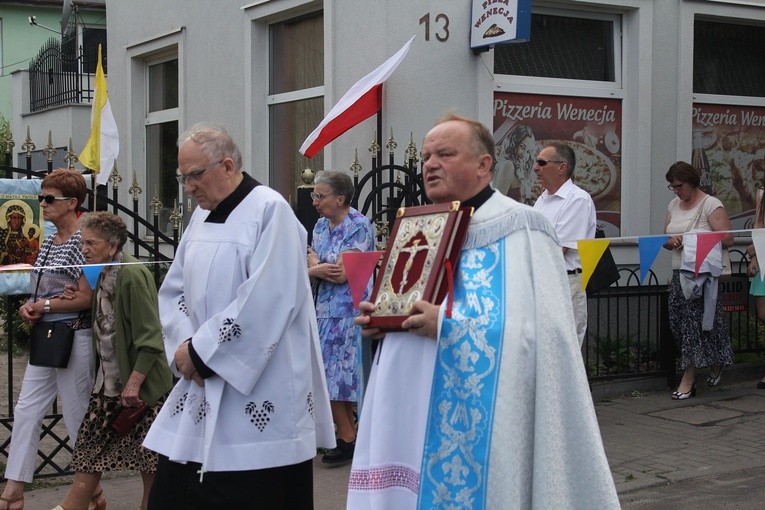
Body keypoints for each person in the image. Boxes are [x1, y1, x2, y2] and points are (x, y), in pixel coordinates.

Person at [348, 114, 619, 509]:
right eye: (426, 156)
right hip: (409, 408)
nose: (430, 164)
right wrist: (383, 322)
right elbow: (405, 305)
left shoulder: (523, 228)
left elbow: (543, 336)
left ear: (484, 165)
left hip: (479, 422)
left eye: (444, 153)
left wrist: (446, 325)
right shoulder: (419, 228)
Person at [142, 123, 334, 510]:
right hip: (199, 382)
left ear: (227, 166)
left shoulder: (270, 210)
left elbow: (269, 299)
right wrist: (184, 346)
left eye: (194, 176)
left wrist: (201, 353)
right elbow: (175, 289)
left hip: (259, 387)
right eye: (183, 177)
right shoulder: (200, 216)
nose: (188, 187)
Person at [52, 212, 173, 510]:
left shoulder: (133, 275)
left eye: (91, 243)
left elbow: (150, 338)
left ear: (113, 244)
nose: (85, 249)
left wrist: (134, 385)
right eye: (83, 243)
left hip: (142, 392)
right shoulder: (101, 271)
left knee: (151, 466)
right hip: (106, 386)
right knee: (88, 454)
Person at [0, 170, 95, 510]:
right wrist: (31, 306)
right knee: (26, 409)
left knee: (75, 413)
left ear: (72, 203)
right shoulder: (50, 241)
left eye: (49, 198)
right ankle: (13, 490)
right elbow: (39, 288)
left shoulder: (87, 239)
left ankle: (89, 490)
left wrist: (46, 304)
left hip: (74, 332)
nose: (42, 203)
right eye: (41, 197)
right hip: (47, 334)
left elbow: (86, 297)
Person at [307, 170, 375, 465]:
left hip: (350, 309)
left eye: (320, 196)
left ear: (341, 198)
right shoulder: (321, 226)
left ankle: (349, 437)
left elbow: (342, 274)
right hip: (324, 309)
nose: (315, 202)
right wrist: (318, 267)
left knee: (343, 377)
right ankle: (348, 435)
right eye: (314, 195)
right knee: (330, 377)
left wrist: (315, 264)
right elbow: (324, 268)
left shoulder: (359, 226)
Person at [664, 161, 734, 400]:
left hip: (701, 273)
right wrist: (672, 242)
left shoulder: (710, 204)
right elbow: (666, 235)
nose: (676, 191)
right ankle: (716, 359)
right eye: (672, 187)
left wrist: (692, 239)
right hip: (678, 272)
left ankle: (689, 379)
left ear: (692, 182)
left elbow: (727, 239)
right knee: (679, 323)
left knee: (693, 327)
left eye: (679, 186)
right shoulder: (674, 204)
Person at [532, 141, 597, 347]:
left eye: (542, 163)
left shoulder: (577, 200)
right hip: (542, 281)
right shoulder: (542, 200)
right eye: (536, 162)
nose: (536, 167)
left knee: (564, 350)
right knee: (543, 349)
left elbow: (558, 249)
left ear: (562, 167)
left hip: (565, 282)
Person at [746, 185, 765, 390]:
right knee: (763, 313)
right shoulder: (761, 192)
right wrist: (754, 256)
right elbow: (759, 226)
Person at [494, 124, 537, 204]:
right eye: (522, 147)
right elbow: (497, 203)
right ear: (514, 144)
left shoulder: (519, 168)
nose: (524, 155)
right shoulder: (508, 165)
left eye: (528, 152)